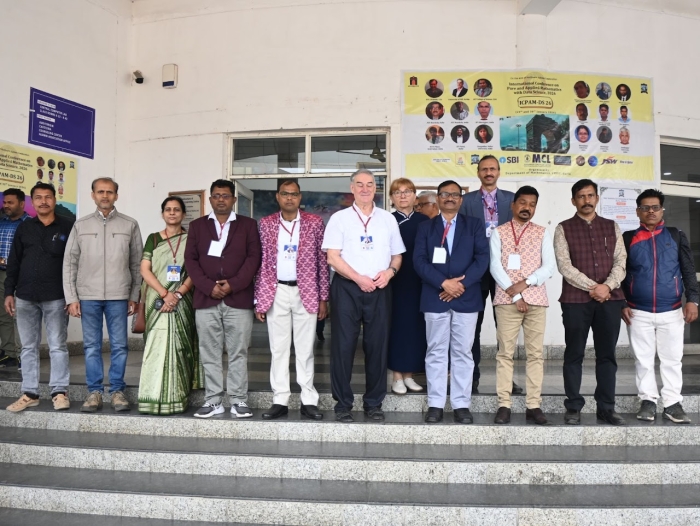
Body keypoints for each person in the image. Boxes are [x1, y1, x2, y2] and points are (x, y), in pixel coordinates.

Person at [322, 169, 405, 422]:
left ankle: (373, 403)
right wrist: (358, 278)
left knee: (377, 346)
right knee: (343, 346)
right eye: (360, 184)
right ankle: (342, 404)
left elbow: (397, 256)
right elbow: (332, 257)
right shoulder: (339, 218)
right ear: (352, 188)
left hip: (380, 288)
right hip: (347, 288)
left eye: (370, 184)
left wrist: (390, 273)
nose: (365, 188)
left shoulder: (387, 219)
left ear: (375, 188)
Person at [64, 177, 143, 412]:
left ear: (116, 195)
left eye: (109, 192)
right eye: (100, 192)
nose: (105, 196)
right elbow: (70, 263)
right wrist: (72, 298)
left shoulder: (129, 225)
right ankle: (94, 392)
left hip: (119, 295)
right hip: (88, 296)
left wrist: (134, 295)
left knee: (119, 345)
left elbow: (137, 264)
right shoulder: (81, 225)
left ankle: (117, 391)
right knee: (91, 346)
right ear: (93, 195)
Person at [184, 179, 261, 418]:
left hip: (238, 298)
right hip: (206, 299)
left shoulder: (248, 225)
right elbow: (190, 261)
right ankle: (213, 400)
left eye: (225, 196)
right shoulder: (197, 226)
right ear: (210, 199)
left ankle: (238, 400)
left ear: (234, 199)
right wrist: (209, 287)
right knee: (210, 352)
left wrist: (233, 285)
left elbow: (254, 258)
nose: (221, 200)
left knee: (239, 351)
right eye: (216, 195)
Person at [414, 180, 489, 423]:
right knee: (435, 351)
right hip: (435, 297)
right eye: (445, 194)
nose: (450, 198)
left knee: (463, 352)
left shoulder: (474, 225)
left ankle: (461, 404)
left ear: (461, 199)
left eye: (455, 194)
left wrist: (460, 285)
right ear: (438, 198)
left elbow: (482, 258)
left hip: (466, 298)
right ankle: (435, 404)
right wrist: (443, 283)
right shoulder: (426, 227)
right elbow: (419, 261)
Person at [622, 189, 699, 424]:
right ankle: (648, 400)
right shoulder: (628, 238)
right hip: (638, 310)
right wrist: (622, 302)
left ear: (662, 210)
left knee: (672, 359)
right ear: (638, 212)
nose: (651, 211)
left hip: (672, 309)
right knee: (643, 359)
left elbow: (688, 270)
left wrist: (693, 300)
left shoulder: (675, 236)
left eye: (655, 207)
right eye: (645, 208)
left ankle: (672, 403)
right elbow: (619, 273)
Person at [254, 180, 329, 421]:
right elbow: (261, 262)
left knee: (306, 349)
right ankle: (280, 399)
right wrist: (259, 299)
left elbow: (322, 261)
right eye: (285, 194)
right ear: (277, 197)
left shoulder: (314, 222)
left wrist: (324, 298)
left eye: (294, 194)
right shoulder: (266, 224)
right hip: (275, 291)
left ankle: (309, 400)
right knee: (278, 349)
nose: (289, 198)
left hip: (306, 292)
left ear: (300, 197)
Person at [554, 179, 627, 426]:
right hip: (575, 301)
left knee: (607, 355)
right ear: (573, 201)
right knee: (574, 354)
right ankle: (573, 406)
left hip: (610, 300)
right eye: (581, 196)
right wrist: (594, 287)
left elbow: (621, 261)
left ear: (597, 198)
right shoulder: (563, 228)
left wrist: (608, 286)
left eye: (590, 195)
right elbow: (564, 266)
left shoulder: (612, 226)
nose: (586, 200)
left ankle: (606, 407)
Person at [4, 183, 74, 412]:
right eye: (38, 197)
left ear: (55, 199)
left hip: (56, 296)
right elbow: (14, 262)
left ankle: (59, 392)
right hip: (25, 296)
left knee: (57, 346)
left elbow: (75, 262)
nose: (43, 201)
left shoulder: (68, 226)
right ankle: (30, 393)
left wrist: (73, 296)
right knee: (28, 347)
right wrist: (9, 292)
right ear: (32, 202)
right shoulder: (24, 228)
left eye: (48, 197)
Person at [490, 186, 555, 425]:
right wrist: (516, 295)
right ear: (513, 205)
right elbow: (495, 266)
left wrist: (526, 283)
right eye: (523, 203)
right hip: (506, 300)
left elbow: (549, 267)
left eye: (532, 204)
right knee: (505, 354)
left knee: (535, 355)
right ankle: (504, 405)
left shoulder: (542, 232)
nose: (527, 207)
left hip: (536, 300)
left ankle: (533, 405)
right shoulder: (499, 232)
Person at [459, 155, 520, 394]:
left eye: (492, 168)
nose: (488, 172)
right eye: (484, 169)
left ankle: (507, 380)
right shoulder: (466, 201)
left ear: (499, 171)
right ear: (478, 173)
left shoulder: (512, 200)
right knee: (471, 327)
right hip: (475, 271)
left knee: (506, 329)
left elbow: (518, 235)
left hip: (504, 273)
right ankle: (471, 378)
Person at [137, 196, 203, 415]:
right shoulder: (153, 239)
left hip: (182, 301)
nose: (172, 213)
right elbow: (145, 269)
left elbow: (196, 271)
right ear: (162, 214)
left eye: (176, 209)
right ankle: (151, 397)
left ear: (184, 214)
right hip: (157, 299)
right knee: (155, 347)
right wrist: (165, 294)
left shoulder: (191, 239)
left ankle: (176, 398)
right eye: (168, 209)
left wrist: (178, 294)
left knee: (179, 348)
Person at [388, 178, 429, 395]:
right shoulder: (386, 220)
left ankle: (409, 375)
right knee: (397, 327)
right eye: (398, 192)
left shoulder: (425, 221)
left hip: (419, 281)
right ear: (392, 197)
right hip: (393, 281)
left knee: (416, 327)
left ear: (415, 196)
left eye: (407, 191)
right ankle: (396, 376)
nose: (403, 196)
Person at [0, 188, 29, 369]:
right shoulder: (1, 222)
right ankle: (9, 353)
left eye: (10, 202)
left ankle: (22, 355)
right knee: (3, 315)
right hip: (2, 273)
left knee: (19, 315)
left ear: (21, 204)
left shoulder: (29, 224)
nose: (6, 206)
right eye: (5, 202)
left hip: (20, 274)